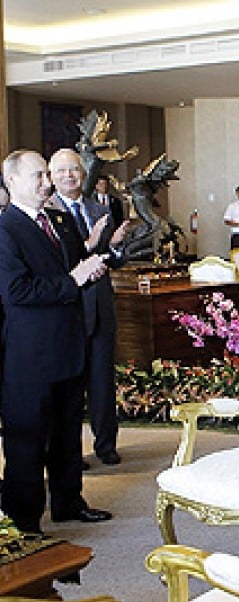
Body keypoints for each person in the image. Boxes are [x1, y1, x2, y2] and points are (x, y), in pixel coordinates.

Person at [0, 149, 112, 534]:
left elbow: (78, 267)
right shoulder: (5, 229)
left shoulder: (61, 221)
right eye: (38, 176)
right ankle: (24, 523)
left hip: (68, 346)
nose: (47, 182)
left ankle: (68, 502)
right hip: (29, 357)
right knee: (27, 442)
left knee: (67, 435)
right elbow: (16, 291)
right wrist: (74, 280)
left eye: (46, 174)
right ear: (11, 181)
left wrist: (97, 262)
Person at [48, 148, 130, 466]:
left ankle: (106, 445)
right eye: (62, 171)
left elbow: (113, 259)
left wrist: (115, 247)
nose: (70, 176)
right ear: (52, 177)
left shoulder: (99, 207)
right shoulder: (46, 212)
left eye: (75, 170)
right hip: (67, 311)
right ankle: (70, 452)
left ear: (84, 174)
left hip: (100, 308)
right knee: (68, 388)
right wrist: (90, 246)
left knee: (102, 384)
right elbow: (57, 263)